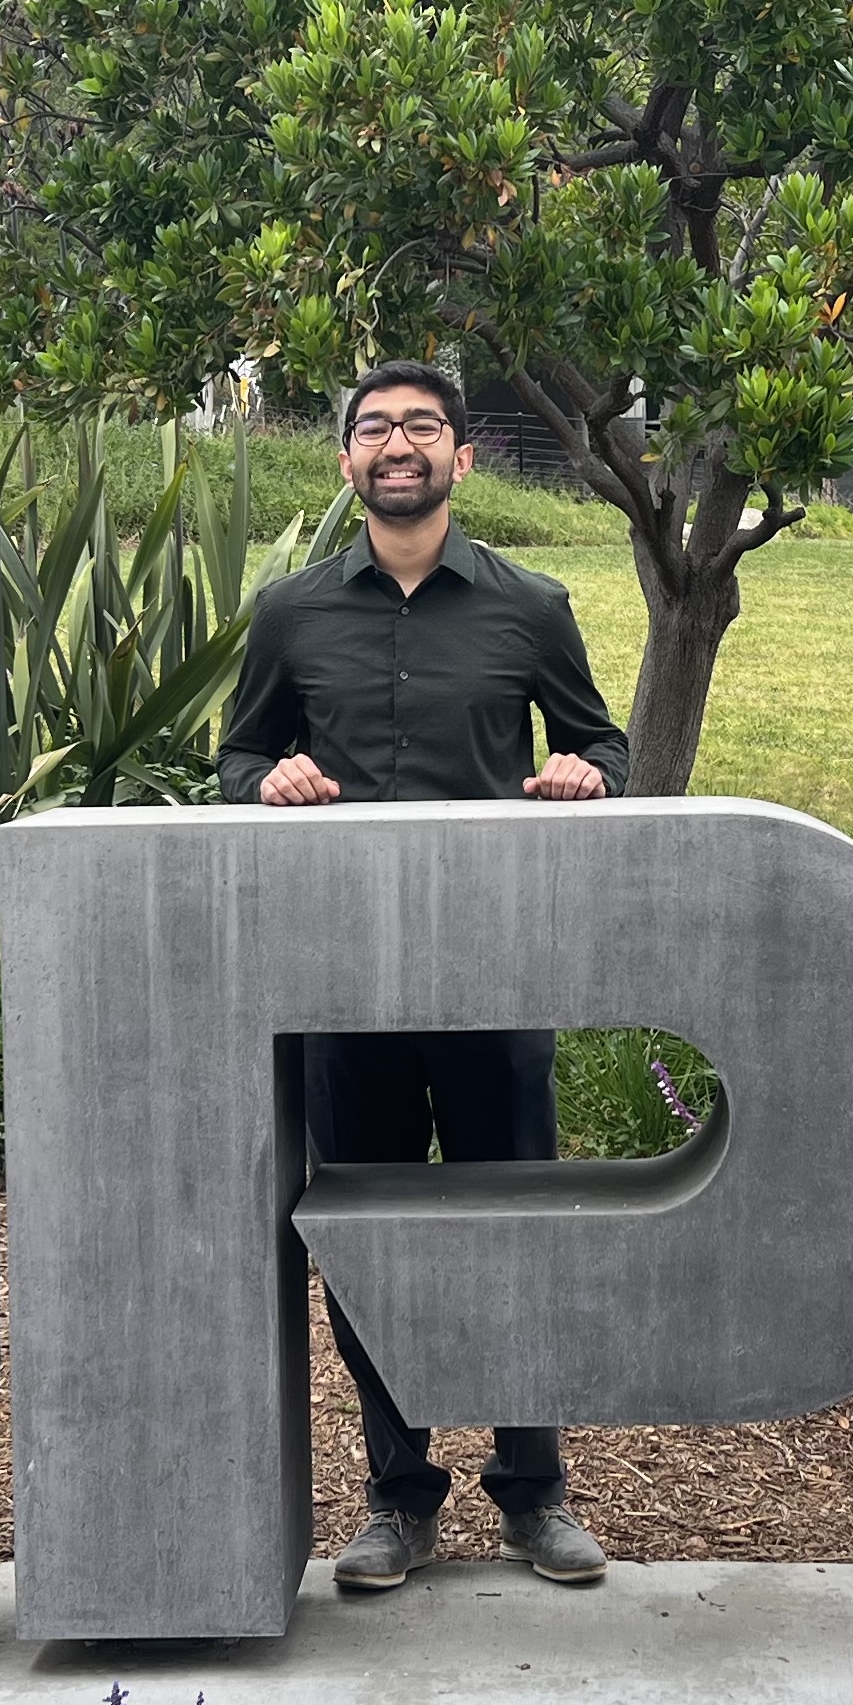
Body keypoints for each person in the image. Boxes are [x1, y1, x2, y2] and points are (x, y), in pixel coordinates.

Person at [218, 359, 630, 1592]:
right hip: (344, 983)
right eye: (375, 428)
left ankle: (533, 1488)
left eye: (422, 426)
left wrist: (587, 774)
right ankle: (399, 1497)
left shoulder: (530, 604)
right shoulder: (289, 612)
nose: (398, 444)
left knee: (520, 1226)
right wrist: (265, 780)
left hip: (497, 974)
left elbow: (598, 736)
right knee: (368, 1233)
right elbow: (237, 753)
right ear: (346, 460)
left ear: (462, 454)